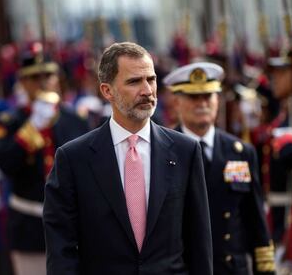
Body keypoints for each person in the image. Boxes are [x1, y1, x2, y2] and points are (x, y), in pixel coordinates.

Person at [43, 42, 213, 275]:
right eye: (134, 81)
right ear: (107, 90)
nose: (147, 90)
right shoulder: (73, 159)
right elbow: (61, 249)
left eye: (151, 79)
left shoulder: (186, 151)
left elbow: (199, 241)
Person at [163, 62, 275, 275]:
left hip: (232, 268)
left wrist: (266, 270)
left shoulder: (241, 152)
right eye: (193, 97)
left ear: (218, 100)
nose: (202, 103)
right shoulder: (164, 151)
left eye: (208, 96)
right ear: (176, 102)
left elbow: (255, 220)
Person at [0, 43, 89, 275]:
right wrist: (32, 128)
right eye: (35, 77)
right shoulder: (10, 121)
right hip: (29, 225)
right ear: (23, 82)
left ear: (58, 78)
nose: (43, 82)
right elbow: (5, 163)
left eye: (48, 75)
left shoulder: (74, 119)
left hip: (71, 225)